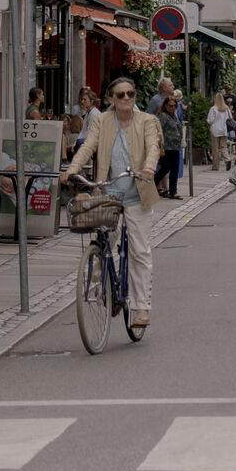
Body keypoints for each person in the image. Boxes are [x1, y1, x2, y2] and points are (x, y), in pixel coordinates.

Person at [60, 78, 160, 329]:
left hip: (138, 194)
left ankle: (141, 309)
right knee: (105, 242)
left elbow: (153, 148)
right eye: (121, 95)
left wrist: (149, 167)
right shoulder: (102, 121)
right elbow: (87, 148)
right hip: (109, 193)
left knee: (139, 252)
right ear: (111, 100)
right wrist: (71, 170)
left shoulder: (146, 121)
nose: (127, 98)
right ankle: (103, 281)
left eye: (131, 93)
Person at [154, 95, 183, 198]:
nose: (173, 108)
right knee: (166, 168)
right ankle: (152, 183)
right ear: (165, 106)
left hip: (175, 147)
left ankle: (173, 192)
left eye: (175, 106)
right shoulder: (163, 116)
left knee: (174, 169)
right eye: (170, 106)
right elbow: (158, 130)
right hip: (166, 147)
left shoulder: (174, 116)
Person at [208, 92, 232, 173]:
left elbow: (210, 120)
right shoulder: (226, 108)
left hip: (215, 130)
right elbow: (230, 118)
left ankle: (216, 166)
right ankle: (227, 159)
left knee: (215, 149)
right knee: (223, 147)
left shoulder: (213, 108)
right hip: (224, 130)